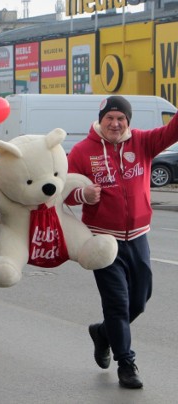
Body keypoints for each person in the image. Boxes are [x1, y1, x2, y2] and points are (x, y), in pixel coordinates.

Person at [66, 95, 178, 389]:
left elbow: (173, 130)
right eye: (110, 118)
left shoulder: (143, 142)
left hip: (138, 237)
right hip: (102, 241)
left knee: (139, 302)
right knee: (117, 303)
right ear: (100, 120)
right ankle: (126, 364)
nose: (115, 124)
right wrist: (83, 195)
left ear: (129, 122)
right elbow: (63, 189)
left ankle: (103, 333)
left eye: (121, 119)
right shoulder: (82, 151)